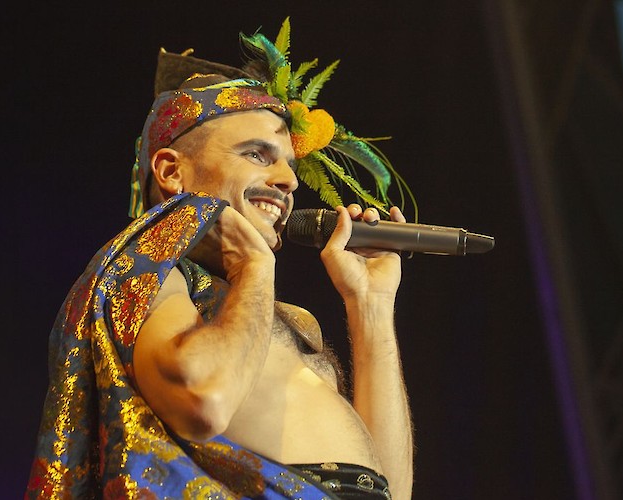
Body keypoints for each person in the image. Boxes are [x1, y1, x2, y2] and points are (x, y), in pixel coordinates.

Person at [26, 19, 414, 499]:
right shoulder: (150, 273)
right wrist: (254, 265)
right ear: (171, 171)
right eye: (257, 154)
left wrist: (370, 304)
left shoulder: (293, 322)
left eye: (289, 165)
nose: (288, 181)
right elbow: (202, 399)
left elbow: (392, 491)